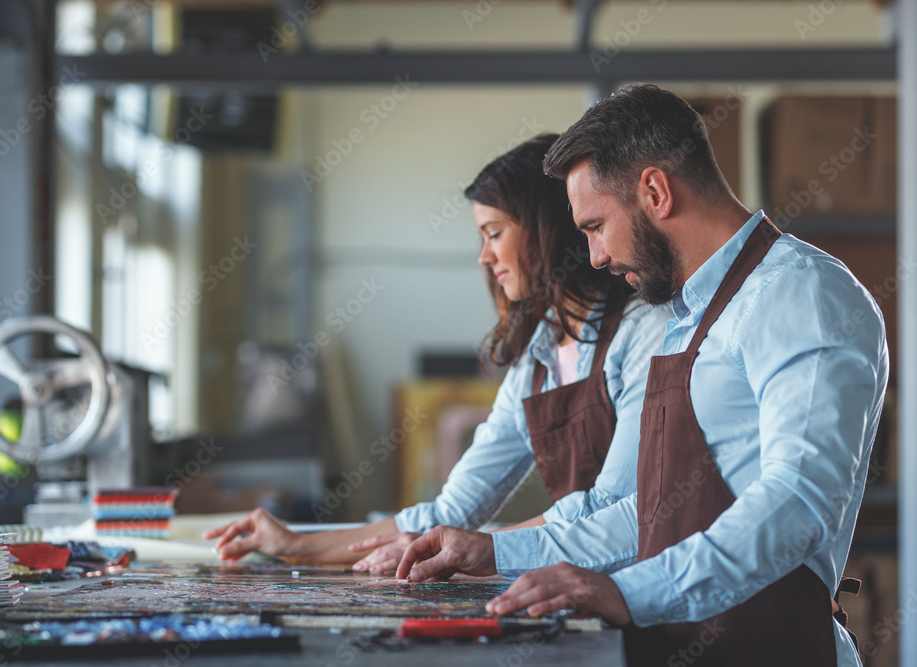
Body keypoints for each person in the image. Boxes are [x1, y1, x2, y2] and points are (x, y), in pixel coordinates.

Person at [396, 84, 888, 667]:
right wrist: (498, 552)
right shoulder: (686, 317)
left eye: (596, 225)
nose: (595, 256)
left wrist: (626, 591)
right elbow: (652, 514)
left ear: (655, 191)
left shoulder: (799, 293)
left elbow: (798, 503)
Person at [204, 134, 669, 574]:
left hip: (651, 593)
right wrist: (296, 545)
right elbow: (451, 512)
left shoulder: (642, 330)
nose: (485, 257)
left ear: (546, 227)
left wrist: (482, 549)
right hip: (577, 589)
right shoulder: (535, 360)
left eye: (493, 232)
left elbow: (610, 507)